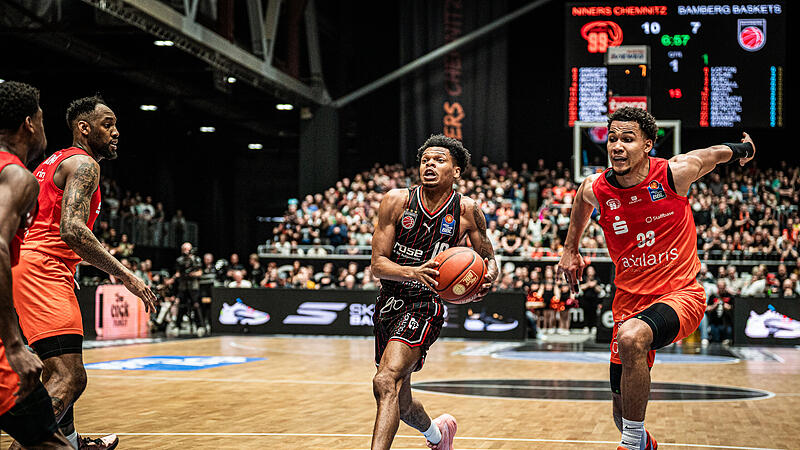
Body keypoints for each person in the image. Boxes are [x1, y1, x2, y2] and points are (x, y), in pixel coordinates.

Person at [557, 107, 755, 450]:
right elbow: (581, 202)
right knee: (621, 414)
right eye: (613, 139)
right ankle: (643, 443)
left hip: (681, 295)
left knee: (631, 337)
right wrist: (570, 248)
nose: (617, 146)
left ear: (648, 144)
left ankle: (631, 445)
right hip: (628, 302)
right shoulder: (596, 187)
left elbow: (714, 154)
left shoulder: (675, 173)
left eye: (628, 139)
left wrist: (744, 149)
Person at [12, 94, 157, 449]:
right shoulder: (85, 164)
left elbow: (51, 228)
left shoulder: (54, 161)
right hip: (43, 269)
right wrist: (127, 275)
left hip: (31, 265)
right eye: (107, 125)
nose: (116, 132)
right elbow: (72, 230)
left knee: (55, 370)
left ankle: (73, 442)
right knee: (70, 377)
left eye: (116, 125)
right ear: (84, 128)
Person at [370, 134, 498, 450]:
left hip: (425, 305)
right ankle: (438, 436)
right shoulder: (396, 201)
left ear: (456, 171)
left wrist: (488, 276)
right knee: (401, 403)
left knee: (385, 380)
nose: (430, 164)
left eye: (439, 160)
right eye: (425, 160)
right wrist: (412, 271)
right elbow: (378, 264)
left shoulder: (467, 210)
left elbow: (489, 258)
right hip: (389, 302)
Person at [0, 81, 71, 448]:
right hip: (3, 355)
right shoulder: (15, 175)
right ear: (29, 123)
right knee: (50, 444)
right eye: (42, 117)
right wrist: (14, 344)